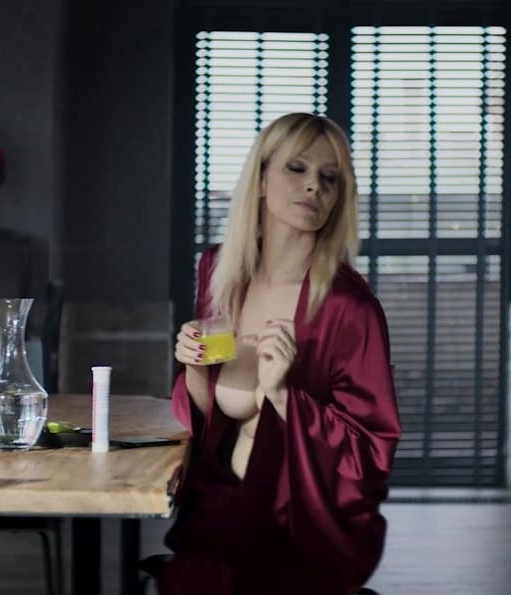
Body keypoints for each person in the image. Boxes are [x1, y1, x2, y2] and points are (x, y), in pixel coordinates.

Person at [161, 112, 401, 595]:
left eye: (329, 178)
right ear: (261, 178)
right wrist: (194, 368)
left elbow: (372, 453)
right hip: (216, 514)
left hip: (299, 531)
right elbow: (212, 421)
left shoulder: (350, 307)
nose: (314, 186)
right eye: (297, 168)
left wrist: (285, 396)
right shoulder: (220, 272)